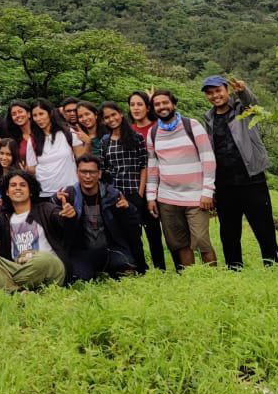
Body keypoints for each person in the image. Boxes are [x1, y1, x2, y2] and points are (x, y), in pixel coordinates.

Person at [202, 75, 278, 268]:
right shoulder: (209, 118)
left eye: (218, 91)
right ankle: (234, 268)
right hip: (224, 183)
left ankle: (272, 266)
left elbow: (252, 103)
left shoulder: (243, 110)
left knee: (264, 228)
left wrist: (243, 91)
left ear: (226, 91)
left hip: (252, 179)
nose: (215, 96)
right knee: (229, 231)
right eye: (210, 93)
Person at [0, 170, 67, 294]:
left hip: (48, 267)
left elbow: (62, 220)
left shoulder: (45, 209)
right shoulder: (6, 218)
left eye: (23, 185)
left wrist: (68, 217)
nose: (18, 188)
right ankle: (17, 292)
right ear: (7, 192)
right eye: (13, 185)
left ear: (31, 190)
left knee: (43, 258)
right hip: (18, 268)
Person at [146, 89, 217, 269]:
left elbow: (208, 158)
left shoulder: (192, 126)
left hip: (196, 197)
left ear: (174, 104)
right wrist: (150, 197)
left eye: (165, 103)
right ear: (153, 109)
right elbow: (152, 167)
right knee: (180, 244)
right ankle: (191, 280)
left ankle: (215, 278)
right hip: (167, 198)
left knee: (202, 241)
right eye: (157, 104)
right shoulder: (153, 133)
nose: (162, 107)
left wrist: (208, 192)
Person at [56, 156, 141, 282]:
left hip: (110, 249)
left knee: (127, 272)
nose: (88, 176)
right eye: (83, 172)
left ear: (99, 173)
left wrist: (127, 209)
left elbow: (134, 225)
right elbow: (56, 226)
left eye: (92, 172)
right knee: (80, 279)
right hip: (81, 252)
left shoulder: (113, 195)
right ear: (77, 173)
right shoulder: (68, 196)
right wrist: (61, 209)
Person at [100, 101, 162, 271]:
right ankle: (139, 267)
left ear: (120, 113)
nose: (111, 119)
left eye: (113, 114)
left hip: (136, 192)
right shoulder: (105, 141)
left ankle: (160, 267)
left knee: (152, 231)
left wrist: (140, 193)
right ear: (104, 121)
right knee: (130, 234)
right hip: (117, 196)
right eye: (107, 117)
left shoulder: (136, 137)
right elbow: (105, 170)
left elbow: (144, 166)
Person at [26, 99, 79, 198]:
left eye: (41, 114)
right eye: (35, 115)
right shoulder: (32, 140)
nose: (38, 118)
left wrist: (88, 143)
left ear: (50, 113)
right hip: (44, 193)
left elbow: (81, 159)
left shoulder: (68, 132)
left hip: (69, 191)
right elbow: (32, 168)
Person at [0, 139, 20, 204]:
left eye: (8, 154)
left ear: (14, 155)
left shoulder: (20, 176)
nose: (4, 157)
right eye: (1, 153)